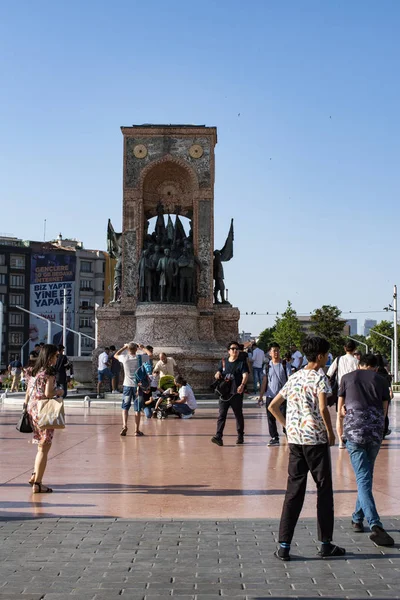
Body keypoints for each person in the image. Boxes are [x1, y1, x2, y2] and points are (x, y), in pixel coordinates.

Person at [268, 336, 345, 561]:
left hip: (296, 442)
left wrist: (288, 426)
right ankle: (325, 543)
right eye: (326, 355)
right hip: (316, 442)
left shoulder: (294, 376)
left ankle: (284, 546)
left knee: (294, 491)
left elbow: (273, 406)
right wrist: (330, 433)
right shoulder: (320, 378)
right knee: (323, 490)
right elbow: (323, 407)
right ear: (320, 356)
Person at [337, 353, 393, 546]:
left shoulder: (346, 378)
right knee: (366, 475)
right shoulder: (381, 379)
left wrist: (339, 429)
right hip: (375, 432)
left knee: (363, 477)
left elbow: (341, 408)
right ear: (375, 367)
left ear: (359, 364)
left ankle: (375, 524)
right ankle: (357, 518)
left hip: (354, 432)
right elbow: (385, 409)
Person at [26, 344, 64, 494]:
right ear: (49, 357)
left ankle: (35, 474)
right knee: (44, 447)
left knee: (40, 445)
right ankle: (38, 483)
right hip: (45, 411)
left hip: (33, 410)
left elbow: (29, 392)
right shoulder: (49, 372)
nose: (57, 358)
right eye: (55, 356)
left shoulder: (33, 371)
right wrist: (59, 391)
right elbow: (48, 393)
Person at [211, 341, 249, 447]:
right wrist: (217, 374)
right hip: (224, 394)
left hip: (236, 394)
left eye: (237, 349)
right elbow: (218, 372)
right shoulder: (223, 362)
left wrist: (242, 385)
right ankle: (218, 436)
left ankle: (240, 435)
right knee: (221, 416)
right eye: (233, 349)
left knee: (238, 415)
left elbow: (245, 375)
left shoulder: (242, 363)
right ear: (229, 351)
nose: (235, 351)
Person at [327, 340, 359, 447]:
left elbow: (329, 373)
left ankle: (341, 442)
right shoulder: (357, 362)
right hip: (354, 391)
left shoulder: (338, 359)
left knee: (339, 416)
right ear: (355, 349)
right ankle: (352, 439)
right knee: (353, 415)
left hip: (341, 390)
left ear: (345, 348)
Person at [259, 343, 290, 446]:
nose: (276, 352)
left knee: (284, 416)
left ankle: (288, 434)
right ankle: (274, 437)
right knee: (270, 418)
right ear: (270, 353)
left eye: (278, 350)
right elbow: (264, 381)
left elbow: (290, 380)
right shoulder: (267, 366)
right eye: (274, 351)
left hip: (282, 397)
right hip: (270, 396)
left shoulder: (285, 364)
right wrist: (260, 396)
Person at [114, 342, 145, 437]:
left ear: (128, 349)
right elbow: (150, 355)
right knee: (137, 409)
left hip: (127, 385)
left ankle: (124, 425)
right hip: (137, 387)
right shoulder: (140, 357)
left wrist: (124, 347)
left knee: (125, 407)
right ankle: (136, 430)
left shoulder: (125, 358)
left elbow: (116, 355)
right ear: (136, 349)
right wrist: (142, 348)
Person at [375, 353, 393, 438]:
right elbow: (388, 382)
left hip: (375, 394)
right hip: (385, 394)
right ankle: (384, 430)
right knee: (384, 412)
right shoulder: (384, 371)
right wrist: (391, 391)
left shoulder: (373, 370)